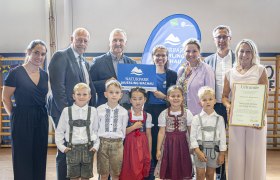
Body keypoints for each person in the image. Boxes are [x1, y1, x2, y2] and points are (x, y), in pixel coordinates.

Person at [48, 27, 96, 180]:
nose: (82, 43)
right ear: (71, 39)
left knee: (78, 148)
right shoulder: (61, 56)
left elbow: (88, 87)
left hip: (80, 112)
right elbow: (58, 88)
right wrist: (67, 115)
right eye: (79, 39)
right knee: (65, 150)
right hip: (63, 112)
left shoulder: (84, 62)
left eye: (85, 40)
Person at [2, 40, 49, 180]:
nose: (39, 57)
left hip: (41, 117)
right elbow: (6, 98)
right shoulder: (15, 73)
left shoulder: (45, 75)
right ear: (28, 52)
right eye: (36, 52)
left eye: (43, 54)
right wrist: (16, 116)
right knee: (22, 157)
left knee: (39, 155)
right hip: (22, 117)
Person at [222, 39, 268, 180]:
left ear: (253, 53)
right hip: (237, 119)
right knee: (237, 154)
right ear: (237, 52)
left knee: (254, 154)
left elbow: (265, 97)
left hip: (255, 119)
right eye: (242, 51)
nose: (244, 54)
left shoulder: (260, 70)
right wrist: (229, 106)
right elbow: (224, 96)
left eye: (248, 51)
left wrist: (260, 118)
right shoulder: (230, 73)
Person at [204, 25, 234, 180]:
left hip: (236, 107)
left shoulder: (239, 58)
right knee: (217, 142)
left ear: (230, 38)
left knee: (235, 142)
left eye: (225, 36)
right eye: (218, 37)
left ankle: (237, 173)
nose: (221, 40)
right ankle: (220, 176)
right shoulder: (208, 61)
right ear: (214, 39)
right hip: (215, 106)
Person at [144, 45, 177, 179]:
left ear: (167, 57)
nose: (160, 58)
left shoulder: (172, 75)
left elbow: (176, 96)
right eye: (157, 55)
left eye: (163, 55)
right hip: (149, 110)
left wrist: (163, 96)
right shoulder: (146, 73)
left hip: (165, 110)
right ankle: (151, 171)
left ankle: (163, 170)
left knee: (164, 141)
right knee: (150, 140)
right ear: (153, 57)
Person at [55, 83, 100, 180]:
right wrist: (62, 147)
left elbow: (96, 131)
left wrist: (96, 146)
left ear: (89, 97)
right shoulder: (66, 111)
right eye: (78, 94)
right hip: (71, 149)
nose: (81, 97)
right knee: (73, 177)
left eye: (84, 94)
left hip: (88, 148)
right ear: (73, 96)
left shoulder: (93, 111)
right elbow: (59, 131)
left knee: (85, 177)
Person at [89, 28, 136, 108]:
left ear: (125, 43)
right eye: (114, 40)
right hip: (105, 109)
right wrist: (106, 82)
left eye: (121, 40)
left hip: (127, 108)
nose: (118, 43)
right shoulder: (98, 62)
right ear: (109, 43)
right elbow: (90, 85)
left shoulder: (132, 63)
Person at [154, 85, 193, 180]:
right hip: (168, 143)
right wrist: (158, 149)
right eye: (173, 96)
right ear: (168, 98)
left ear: (182, 97)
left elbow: (191, 130)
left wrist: (193, 145)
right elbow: (161, 132)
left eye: (178, 96)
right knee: (169, 163)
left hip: (183, 143)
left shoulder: (188, 113)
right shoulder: (164, 113)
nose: (176, 98)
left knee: (183, 164)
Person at [190, 86, 227, 180]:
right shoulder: (196, 118)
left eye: (210, 99)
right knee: (200, 174)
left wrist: (222, 154)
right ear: (200, 103)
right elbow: (192, 137)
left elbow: (223, 137)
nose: (208, 102)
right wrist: (197, 151)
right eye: (204, 100)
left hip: (214, 151)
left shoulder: (220, 119)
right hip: (199, 149)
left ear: (215, 101)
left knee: (210, 174)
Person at [95, 80, 129, 180]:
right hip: (102, 143)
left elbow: (123, 129)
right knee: (103, 173)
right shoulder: (99, 109)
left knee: (116, 173)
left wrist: (119, 142)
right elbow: (96, 128)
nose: (114, 95)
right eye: (111, 92)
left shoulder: (123, 112)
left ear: (121, 95)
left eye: (117, 92)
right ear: (106, 94)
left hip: (117, 144)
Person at [120, 87, 153, 180]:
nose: (137, 102)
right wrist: (133, 127)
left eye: (140, 98)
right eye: (134, 99)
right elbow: (122, 132)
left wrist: (149, 152)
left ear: (145, 100)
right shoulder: (125, 114)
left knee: (141, 166)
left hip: (143, 146)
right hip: (129, 146)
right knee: (130, 167)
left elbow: (149, 135)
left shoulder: (147, 115)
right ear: (130, 100)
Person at [177, 38, 215, 116]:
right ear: (184, 53)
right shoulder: (181, 70)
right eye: (188, 51)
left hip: (199, 113)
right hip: (182, 113)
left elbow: (210, 94)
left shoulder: (207, 69)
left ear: (199, 52)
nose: (191, 54)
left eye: (194, 51)